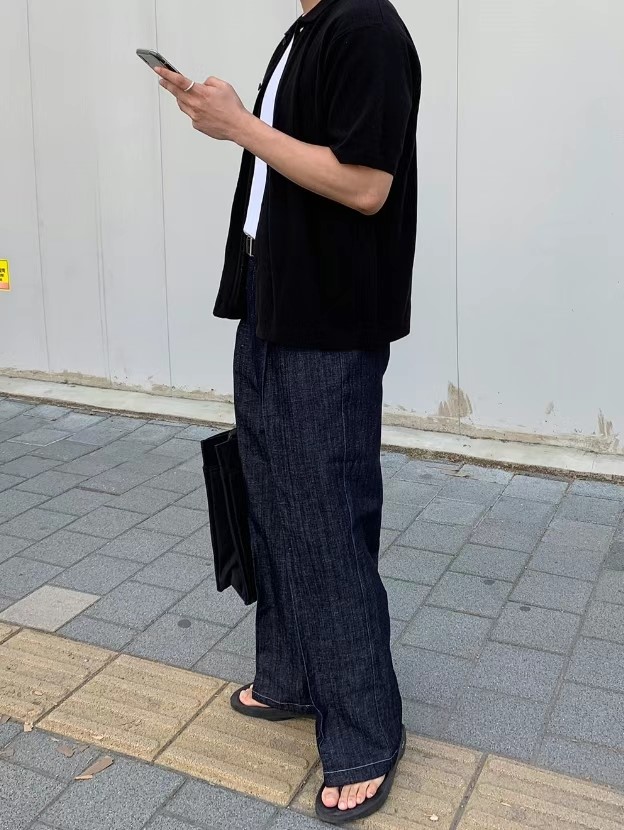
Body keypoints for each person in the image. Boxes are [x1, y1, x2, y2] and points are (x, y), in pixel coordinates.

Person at [155, 0, 421, 822]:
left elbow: (367, 186)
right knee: (271, 502)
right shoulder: (310, 28)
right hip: (274, 300)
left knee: (325, 521)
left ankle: (366, 735)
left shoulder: (366, 26)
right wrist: (226, 120)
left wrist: (239, 124)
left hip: (329, 321)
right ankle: (292, 677)